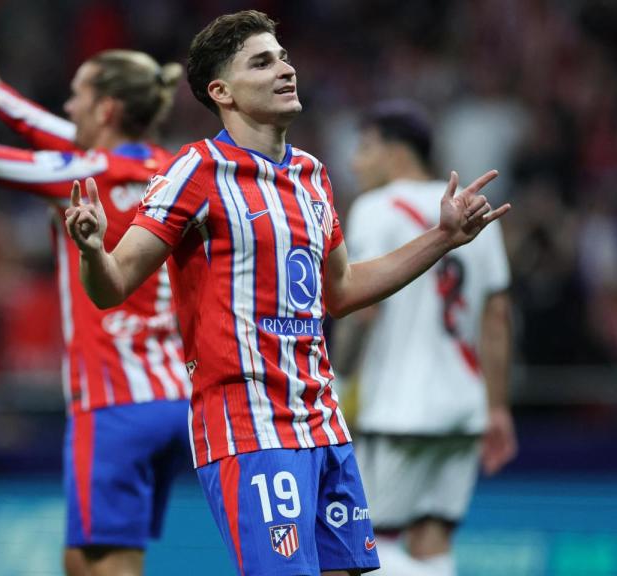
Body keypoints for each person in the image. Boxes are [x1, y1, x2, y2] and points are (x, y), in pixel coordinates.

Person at [64, 10, 510, 576]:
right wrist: (93, 251)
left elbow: (341, 291)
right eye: (262, 62)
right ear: (220, 92)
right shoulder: (196, 169)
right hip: (248, 424)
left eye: (283, 57)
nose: (285, 69)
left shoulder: (312, 174)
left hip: (323, 420)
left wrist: (443, 239)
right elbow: (115, 285)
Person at [0, 24, 192, 576]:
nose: (67, 107)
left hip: (112, 401)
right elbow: (64, 134)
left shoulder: (84, 171)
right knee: (79, 560)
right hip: (173, 396)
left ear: (107, 110)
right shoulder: (175, 171)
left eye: (77, 96)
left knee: (108, 561)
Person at [335, 101, 517, 576]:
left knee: (366, 552)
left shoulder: (376, 208)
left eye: (365, 147)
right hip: (463, 407)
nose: (355, 161)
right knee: (432, 544)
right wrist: (496, 407)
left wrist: (335, 383)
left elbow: (362, 310)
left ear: (396, 152)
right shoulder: (472, 207)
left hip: (399, 407)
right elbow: (496, 316)